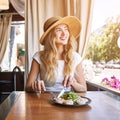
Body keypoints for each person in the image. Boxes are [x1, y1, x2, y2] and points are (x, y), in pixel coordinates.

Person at [25, 16, 87, 93]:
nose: (64, 34)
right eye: (59, 30)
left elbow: (83, 88)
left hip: (67, 101)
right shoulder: (39, 56)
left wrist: (74, 83)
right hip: (45, 99)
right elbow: (27, 87)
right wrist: (35, 86)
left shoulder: (75, 57)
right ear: (50, 35)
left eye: (66, 29)